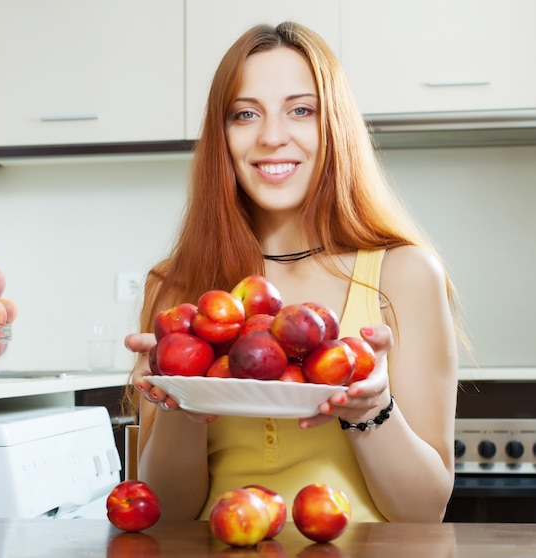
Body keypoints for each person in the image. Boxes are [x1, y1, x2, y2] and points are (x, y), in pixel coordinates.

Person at [125, 21, 459, 523]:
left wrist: (371, 411)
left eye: (301, 110)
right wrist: (179, 405)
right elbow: (168, 514)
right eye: (245, 114)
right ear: (222, 135)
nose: (272, 137)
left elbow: (424, 512)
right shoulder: (176, 286)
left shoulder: (405, 274)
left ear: (334, 127)